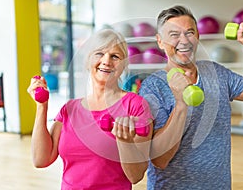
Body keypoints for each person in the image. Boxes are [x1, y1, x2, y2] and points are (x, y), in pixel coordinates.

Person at [138, 5, 243, 189]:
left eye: (189, 32)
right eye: (174, 34)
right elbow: (160, 160)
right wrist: (180, 105)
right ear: (160, 41)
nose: (184, 41)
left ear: (198, 37)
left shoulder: (215, 73)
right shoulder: (153, 87)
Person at [27, 29, 153, 190]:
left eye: (115, 56)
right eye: (99, 53)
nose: (106, 61)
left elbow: (136, 176)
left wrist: (125, 141)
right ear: (88, 61)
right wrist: (41, 106)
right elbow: (40, 159)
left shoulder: (135, 106)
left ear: (123, 66)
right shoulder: (69, 109)